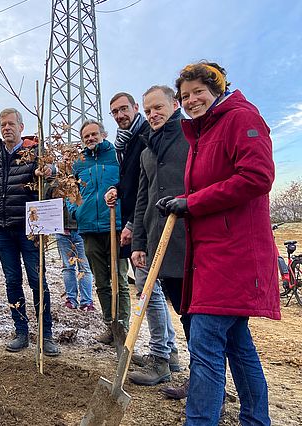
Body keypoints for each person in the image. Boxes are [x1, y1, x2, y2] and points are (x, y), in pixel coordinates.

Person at [157, 61, 279, 425]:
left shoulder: (241, 118)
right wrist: (183, 199)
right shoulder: (204, 131)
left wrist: (191, 203)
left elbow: (257, 177)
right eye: (185, 96)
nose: (191, 100)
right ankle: (256, 421)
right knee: (239, 347)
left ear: (218, 89)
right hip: (213, 253)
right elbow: (212, 183)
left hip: (235, 254)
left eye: (198, 92)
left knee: (206, 344)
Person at [104, 92, 178, 365]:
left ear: (135, 108)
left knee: (149, 290)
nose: (120, 115)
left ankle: (161, 355)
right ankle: (169, 352)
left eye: (124, 109)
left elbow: (145, 188)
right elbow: (133, 181)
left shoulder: (147, 135)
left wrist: (132, 225)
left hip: (148, 223)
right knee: (151, 289)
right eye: (114, 112)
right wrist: (116, 189)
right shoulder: (127, 142)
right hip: (140, 221)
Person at [0, 108, 59, 356]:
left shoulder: (34, 155)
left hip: (31, 231)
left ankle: (46, 334)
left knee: (37, 280)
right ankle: (21, 331)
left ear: (21, 127)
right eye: (2, 124)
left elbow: (56, 174)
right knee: (12, 281)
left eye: (11, 124)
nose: (6, 128)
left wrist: (49, 171)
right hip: (3, 232)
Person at [127, 85, 190, 387]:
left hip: (188, 239)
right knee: (171, 305)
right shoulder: (147, 151)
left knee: (192, 314)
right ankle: (164, 361)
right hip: (156, 237)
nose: (153, 114)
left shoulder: (192, 138)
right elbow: (143, 199)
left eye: (158, 108)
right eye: (148, 109)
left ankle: (202, 379)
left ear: (174, 104)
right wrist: (139, 242)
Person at [68, 119, 129, 343]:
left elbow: (128, 184)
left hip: (114, 225)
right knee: (102, 281)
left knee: (119, 280)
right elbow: (70, 191)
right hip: (89, 229)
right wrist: (75, 211)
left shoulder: (116, 156)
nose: (90, 139)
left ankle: (123, 327)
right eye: (86, 136)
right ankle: (110, 326)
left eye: (94, 134)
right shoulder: (79, 163)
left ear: (103, 134)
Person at [48, 148, 94, 311]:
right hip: (62, 230)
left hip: (81, 230)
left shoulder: (82, 178)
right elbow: (47, 198)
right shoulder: (56, 181)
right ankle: (71, 299)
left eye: (71, 158)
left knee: (85, 266)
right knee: (68, 266)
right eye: (65, 159)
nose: (67, 162)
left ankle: (87, 301)